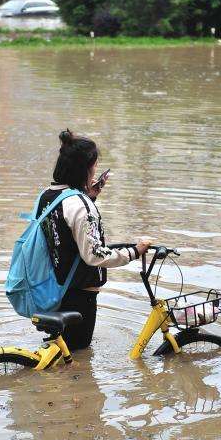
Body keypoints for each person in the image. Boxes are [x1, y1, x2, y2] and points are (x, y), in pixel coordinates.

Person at [35, 130, 150, 351]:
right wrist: (135, 251)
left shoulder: (47, 195)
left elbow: (63, 233)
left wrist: (89, 196)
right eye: (95, 166)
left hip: (52, 288)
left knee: (58, 353)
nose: (95, 171)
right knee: (76, 359)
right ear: (85, 168)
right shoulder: (80, 204)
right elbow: (94, 255)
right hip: (79, 295)